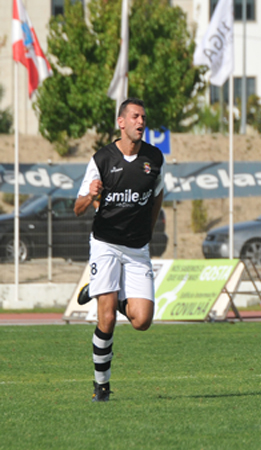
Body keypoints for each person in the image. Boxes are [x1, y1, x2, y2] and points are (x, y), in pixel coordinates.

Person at [74, 98, 165, 402]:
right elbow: (77, 208)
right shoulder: (101, 159)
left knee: (142, 321)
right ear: (121, 122)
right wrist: (90, 194)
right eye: (135, 116)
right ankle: (102, 389)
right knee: (107, 320)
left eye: (144, 117)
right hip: (106, 243)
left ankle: (102, 291)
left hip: (137, 247)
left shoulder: (155, 159)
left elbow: (158, 196)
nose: (141, 122)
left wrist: (149, 232)